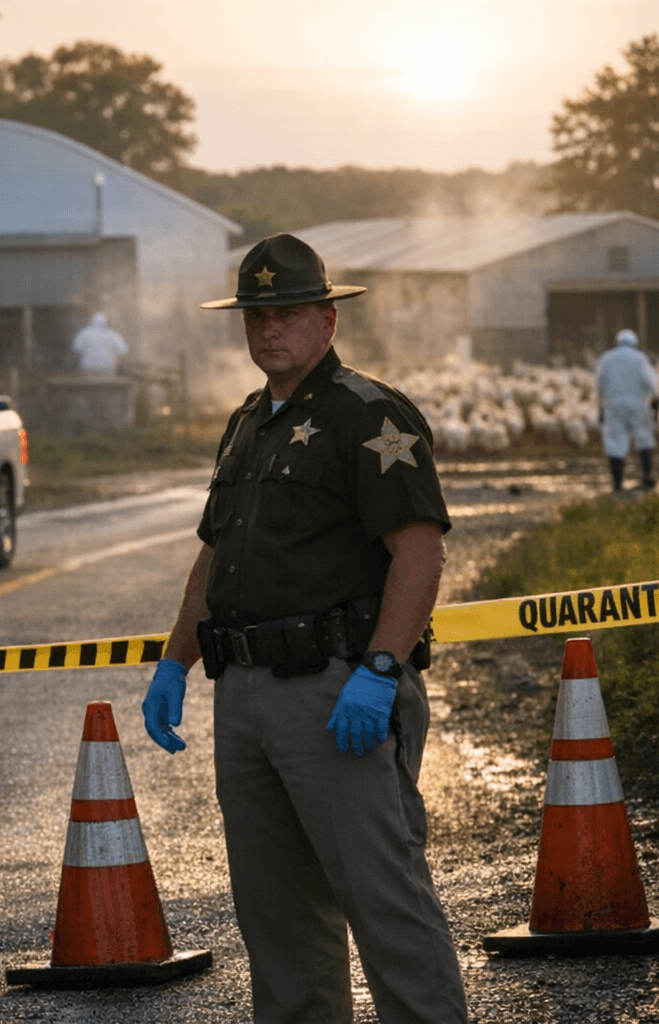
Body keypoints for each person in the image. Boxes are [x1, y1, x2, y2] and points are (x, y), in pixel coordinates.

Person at [141, 234, 467, 1024]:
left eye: (285, 313)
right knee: (278, 922)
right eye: (254, 316)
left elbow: (417, 555)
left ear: (327, 318)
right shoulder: (248, 422)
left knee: (384, 902)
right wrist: (173, 664)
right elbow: (213, 563)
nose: (267, 330)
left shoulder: (368, 414)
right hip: (244, 694)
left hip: (334, 689)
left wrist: (382, 668)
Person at [596, 327, 659, 491]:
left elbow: (599, 384)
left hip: (614, 406)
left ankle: (617, 482)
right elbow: (652, 383)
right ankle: (647, 476)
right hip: (637, 405)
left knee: (614, 441)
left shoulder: (607, 358)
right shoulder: (640, 358)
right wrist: (656, 403)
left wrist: (601, 408)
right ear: (635, 343)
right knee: (644, 438)